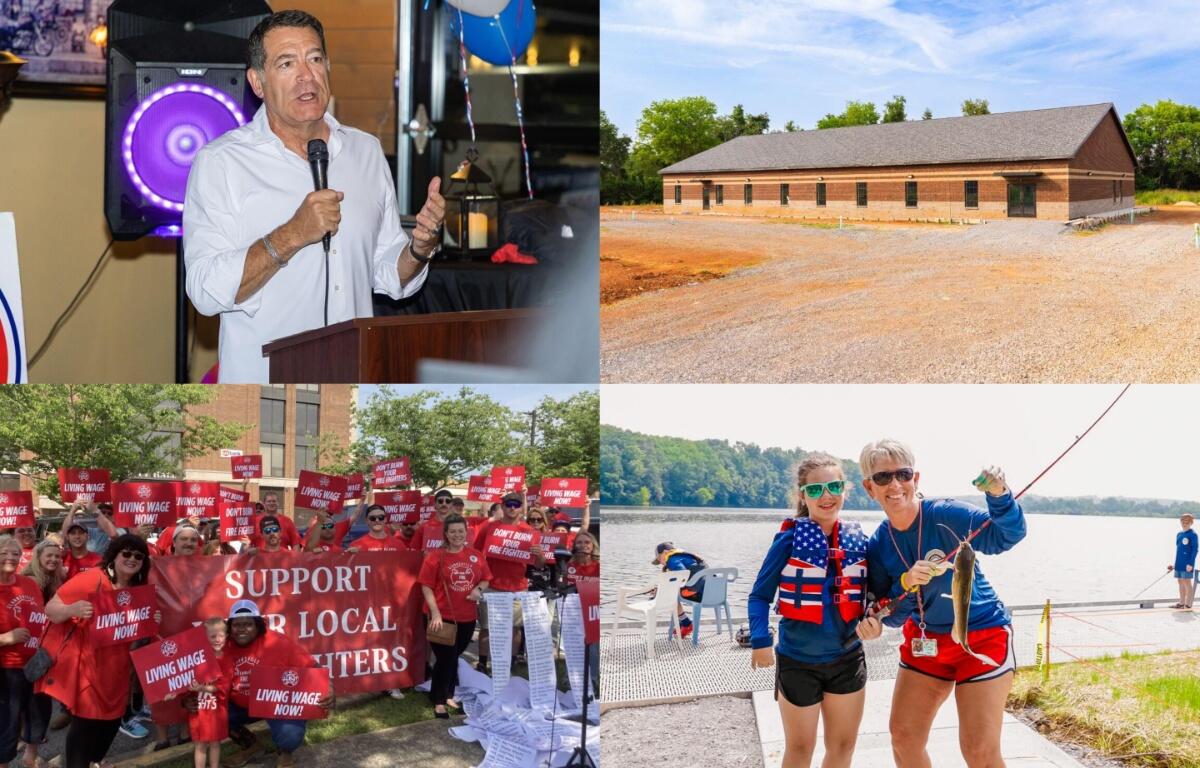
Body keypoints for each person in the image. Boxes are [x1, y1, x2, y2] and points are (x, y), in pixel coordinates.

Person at [183, 9, 445, 383]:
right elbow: (205, 292)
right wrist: (291, 234)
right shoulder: (220, 163)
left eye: (316, 58)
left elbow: (387, 271)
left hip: (354, 382)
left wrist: (420, 248)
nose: (307, 75)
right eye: (287, 63)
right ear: (257, 82)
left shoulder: (366, 151)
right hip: (265, 388)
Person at [860, 439, 1025, 768]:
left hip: (983, 635)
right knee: (904, 738)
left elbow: (1006, 536)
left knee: (979, 749)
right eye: (882, 478)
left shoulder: (948, 514)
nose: (895, 485)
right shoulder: (879, 543)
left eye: (903, 474)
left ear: (916, 479)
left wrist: (999, 494)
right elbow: (888, 612)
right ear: (869, 488)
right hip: (927, 643)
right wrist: (902, 588)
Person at [747, 454, 880, 768]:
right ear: (802, 495)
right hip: (798, 662)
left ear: (845, 490)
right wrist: (760, 640)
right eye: (816, 489)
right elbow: (758, 596)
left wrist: (875, 619)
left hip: (847, 660)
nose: (827, 496)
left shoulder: (859, 539)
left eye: (834, 486)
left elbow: (874, 595)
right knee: (800, 748)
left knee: (843, 747)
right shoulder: (789, 539)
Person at [39, 533, 163, 768]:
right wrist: (73, 608)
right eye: (126, 553)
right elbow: (51, 609)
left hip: (118, 675)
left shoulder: (140, 590)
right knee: (85, 726)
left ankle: (92, 762)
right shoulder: (93, 579)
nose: (132, 558)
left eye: (138, 556)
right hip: (87, 670)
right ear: (113, 557)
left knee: (110, 725)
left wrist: (151, 620)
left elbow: (136, 636)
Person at [207, 600, 334, 768]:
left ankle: (285, 751)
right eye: (237, 625)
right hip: (239, 704)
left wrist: (329, 688)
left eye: (248, 624)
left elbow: (313, 667)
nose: (242, 629)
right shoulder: (223, 645)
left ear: (258, 626)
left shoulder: (278, 642)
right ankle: (251, 745)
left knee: (290, 735)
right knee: (207, 710)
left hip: (275, 703)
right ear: (230, 627)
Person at [419, 513, 490, 718]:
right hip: (441, 617)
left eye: (461, 531)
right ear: (446, 534)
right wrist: (435, 613)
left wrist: (479, 589)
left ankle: (445, 693)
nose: (457, 535)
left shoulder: (475, 555)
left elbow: (486, 578)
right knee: (446, 659)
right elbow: (426, 586)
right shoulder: (435, 557)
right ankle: (440, 701)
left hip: (467, 618)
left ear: (466, 532)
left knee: (452, 657)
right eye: (453, 532)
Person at [473, 492, 546, 674]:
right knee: (487, 628)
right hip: (491, 586)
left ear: (521, 508)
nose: (512, 508)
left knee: (515, 629)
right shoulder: (489, 528)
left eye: (516, 504)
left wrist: (539, 555)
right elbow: (475, 553)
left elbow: (538, 565)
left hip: (518, 588)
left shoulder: (530, 532)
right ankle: (483, 663)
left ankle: (512, 661)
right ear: (503, 506)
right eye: (509, 504)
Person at [1, 534, 49, 768]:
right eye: (4, 553)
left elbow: (40, 616)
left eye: (15, 553)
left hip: (34, 664)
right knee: (7, 721)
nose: (10, 557)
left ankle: (31, 758)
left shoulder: (28, 584)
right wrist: (5, 638)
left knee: (36, 714)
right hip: (5, 668)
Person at [185, 618, 229, 768]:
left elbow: (223, 686)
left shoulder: (227, 659)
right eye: (212, 636)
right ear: (204, 638)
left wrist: (202, 688)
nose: (218, 639)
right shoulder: (196, 659)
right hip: (199, 711)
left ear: (226, 635)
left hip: (216, 710)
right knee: (200, 745)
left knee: (215, 743)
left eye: (221, 635)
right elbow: (182, 680)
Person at [652, 542, 707, 638]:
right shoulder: (687, 557)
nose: (660, 563)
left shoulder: (671, 560)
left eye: (659, 559)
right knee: (671, 592)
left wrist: (662, 589)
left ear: (665, 553)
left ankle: (686, 624)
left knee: (669, 596)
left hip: (698, 594)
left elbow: (682, 574)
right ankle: (682, 622)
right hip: (712, 593)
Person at [61, 503, 102, 580]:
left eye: (81, 532)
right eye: (73, 533)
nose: (77, 536)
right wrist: (72, 510)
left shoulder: (97, 560)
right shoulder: (62, 558)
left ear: (87, 536)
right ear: (68, 537)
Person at [1171, 513, 1197, 610]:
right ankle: (1181, 603)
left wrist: (1190, 564)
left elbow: (1195, 550)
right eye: (1183, 521)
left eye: (1187, 522)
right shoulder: (1179, 534)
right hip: (1179, 563)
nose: (1185, 523)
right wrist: (1174, 564)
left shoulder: (1193, 535)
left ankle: (1188, 604)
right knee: (1180, 582)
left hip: (1187, 564)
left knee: (1187, 582)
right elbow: (1179, 550)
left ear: (1191, 523)